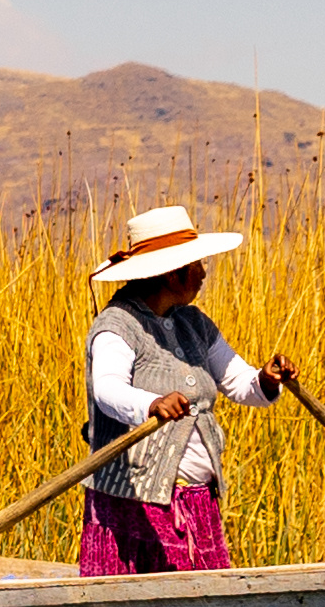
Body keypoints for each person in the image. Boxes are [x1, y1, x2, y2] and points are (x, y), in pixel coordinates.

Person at [77, 205, 276, 574]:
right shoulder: (118, 326)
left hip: (197, 502)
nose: (203, 274)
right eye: (197, 265)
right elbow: (107, 390)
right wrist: (151, 403)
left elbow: (238, 381)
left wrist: (266, 379)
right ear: (172, 273)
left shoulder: (193, 323)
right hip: (137, 505)